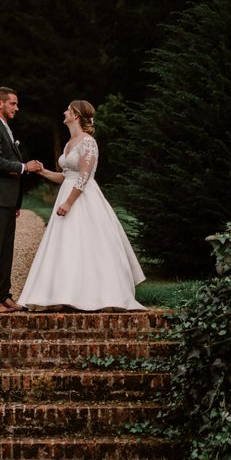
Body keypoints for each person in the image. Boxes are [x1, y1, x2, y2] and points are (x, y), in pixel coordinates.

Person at [17, 100, 146, 312]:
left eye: (68, 109)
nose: (64, 112)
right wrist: (43, 171)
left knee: (88, 244)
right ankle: (64, 293)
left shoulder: (88, 142)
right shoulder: (69, 143)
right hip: (68, 194)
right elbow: (66, 176)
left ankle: (94, 295)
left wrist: (69, 202)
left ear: (76, 115)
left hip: (83, 199)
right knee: (66, 246)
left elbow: (84, 176)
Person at [0, 86, 42, 314]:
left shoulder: (4, 128)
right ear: (0, 103)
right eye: (13, 103)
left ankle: (4, 295)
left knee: (5, 251)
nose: (17, 108)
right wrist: (25, 167)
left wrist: (15, 202)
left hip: (6, 201)